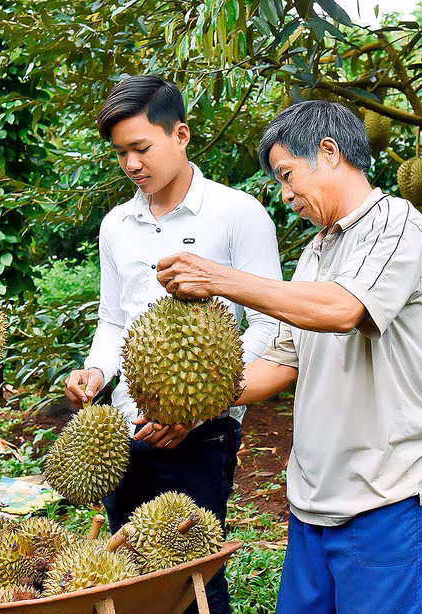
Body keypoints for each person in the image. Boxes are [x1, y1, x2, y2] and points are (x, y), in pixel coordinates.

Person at [156, 100, 422, 614]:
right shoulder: (316, 252)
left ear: (330, 152)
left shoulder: (397, 223)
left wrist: (219, 277)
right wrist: (191, 400)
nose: (285, 195)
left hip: (386, 501)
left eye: (287, 176)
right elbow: (283, 361)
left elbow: (343, 310)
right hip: (312, 502)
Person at [64, 74, 282, 614]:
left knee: (194, 575)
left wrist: (204, 406)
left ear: (180, 136)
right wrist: (96, 372)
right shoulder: (117, 224)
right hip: (126, 429)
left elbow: (270, 328)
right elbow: (114, 320)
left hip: (203, 433)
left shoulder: (238, 214)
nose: (132, 165)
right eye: (121, 154)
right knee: (127, 570)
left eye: (141, 148)